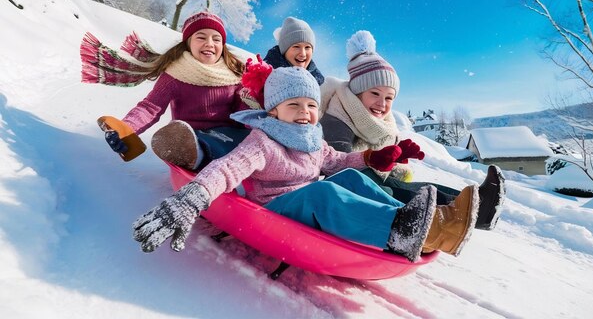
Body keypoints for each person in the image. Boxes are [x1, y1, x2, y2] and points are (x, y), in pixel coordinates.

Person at [132, 65, 489, 262]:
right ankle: (401, 230)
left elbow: (335, 160)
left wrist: (369, 157)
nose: (305, 114)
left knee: (350, 177)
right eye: (294, 106)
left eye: (311, 106)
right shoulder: (263, 140)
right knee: (323, 194)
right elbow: (228, 169)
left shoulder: (312, 139)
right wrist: (192, 197)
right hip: (274, 208)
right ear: (273, 111)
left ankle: (426, 223)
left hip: (304, 199)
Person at [319, 30, 505, 230]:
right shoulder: (338, 115)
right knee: (387, 189)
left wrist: (397, 156)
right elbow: (339, 165)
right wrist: (379, 158)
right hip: (340, 189)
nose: (382, 103)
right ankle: (464, 214)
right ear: (357, 92)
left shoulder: (379, 120)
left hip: (365, 178)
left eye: (389, 97)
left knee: (407, 186)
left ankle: (476, 203)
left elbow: (380, 161)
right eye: (375, 93)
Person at [82, 11, 250, 171]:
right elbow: (150, 107)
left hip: (229, 135)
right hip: (191, 136)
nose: (210, 43)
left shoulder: (233, 75)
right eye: (201, 37)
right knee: (189, 140)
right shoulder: (176, 73)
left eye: (216, 39)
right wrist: (126, 130)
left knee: (242, 139)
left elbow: (244, 111)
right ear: (188, 43)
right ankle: (193, 155)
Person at [263, 16, 324, 84]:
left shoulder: (317, 81)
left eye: (307, 47)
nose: (303, 54)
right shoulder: (265, 79)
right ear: (284, 50)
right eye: (296, 46)